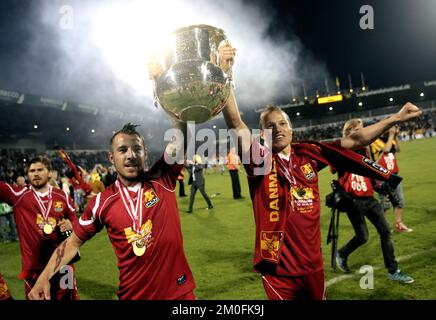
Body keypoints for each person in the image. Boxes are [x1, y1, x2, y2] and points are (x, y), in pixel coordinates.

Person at [218, 42, 421, 300]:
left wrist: (394, 118)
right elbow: (235, 123)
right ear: (263, 134)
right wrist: (226, 73)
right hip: (278, 272)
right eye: (270, 126)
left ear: (291, 129)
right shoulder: (258, 160)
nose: (278, 128)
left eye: (283, 123)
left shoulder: (310, 154)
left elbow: (355, 141)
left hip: (314, 268)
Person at [29, 123, 196, 300]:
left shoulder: (162, 177)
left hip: (179, 294)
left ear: (145, 154)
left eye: (137, 149)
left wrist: (179, 112)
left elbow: (182, 138)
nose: (131, 155)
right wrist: (43, 278)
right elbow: (72, 243)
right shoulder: (101, 203)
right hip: (134, 295)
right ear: (111, 157)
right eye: (123, 150)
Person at [334, 119, 414, 283]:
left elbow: (370, 171)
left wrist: (380, 187)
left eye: (362, 129)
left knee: (385, 231)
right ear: (349, 132)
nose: (363, 132)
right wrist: (346, 150)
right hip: (352, 200)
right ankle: (341, 254)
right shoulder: (342, 149)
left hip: (369, 198)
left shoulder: (365, 149)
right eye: (358, 129)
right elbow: (333, 168)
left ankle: (393, 271)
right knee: (363, 237)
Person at [0, 156, 78, 299]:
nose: (35, 173)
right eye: (32, 171)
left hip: (63, 264)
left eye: (40, 170)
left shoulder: (62, 196)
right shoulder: (18, 195)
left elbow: (76, 221)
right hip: (34, 267)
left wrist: (71, 225)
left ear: (49, 173)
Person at [370, 126, 412, 232]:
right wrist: (391, 135)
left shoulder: (390, 140)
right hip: (382, 176)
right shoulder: (375, 141)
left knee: (399, 201)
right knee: (385, 205)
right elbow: (386, 150)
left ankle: (399, 223)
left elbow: (397, 149)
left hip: (394, 175)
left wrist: (395, 137)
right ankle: (383, 227)